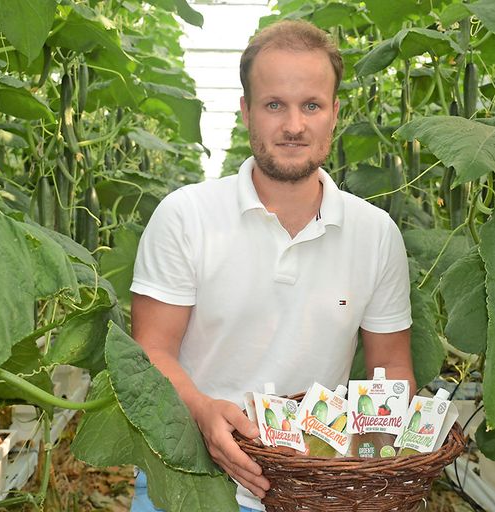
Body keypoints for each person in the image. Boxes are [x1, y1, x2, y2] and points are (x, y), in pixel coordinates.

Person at [129, 19, 415, 512]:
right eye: (274, 105)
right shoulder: (185, 216)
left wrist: (369, 467)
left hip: (314, 490)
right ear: (246, 112)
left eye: (311, 105)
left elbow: (391, 366)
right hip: (189, 478)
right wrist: (201, 411)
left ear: (334, 113)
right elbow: (150, 351)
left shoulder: (376, 234)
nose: (294, 126)